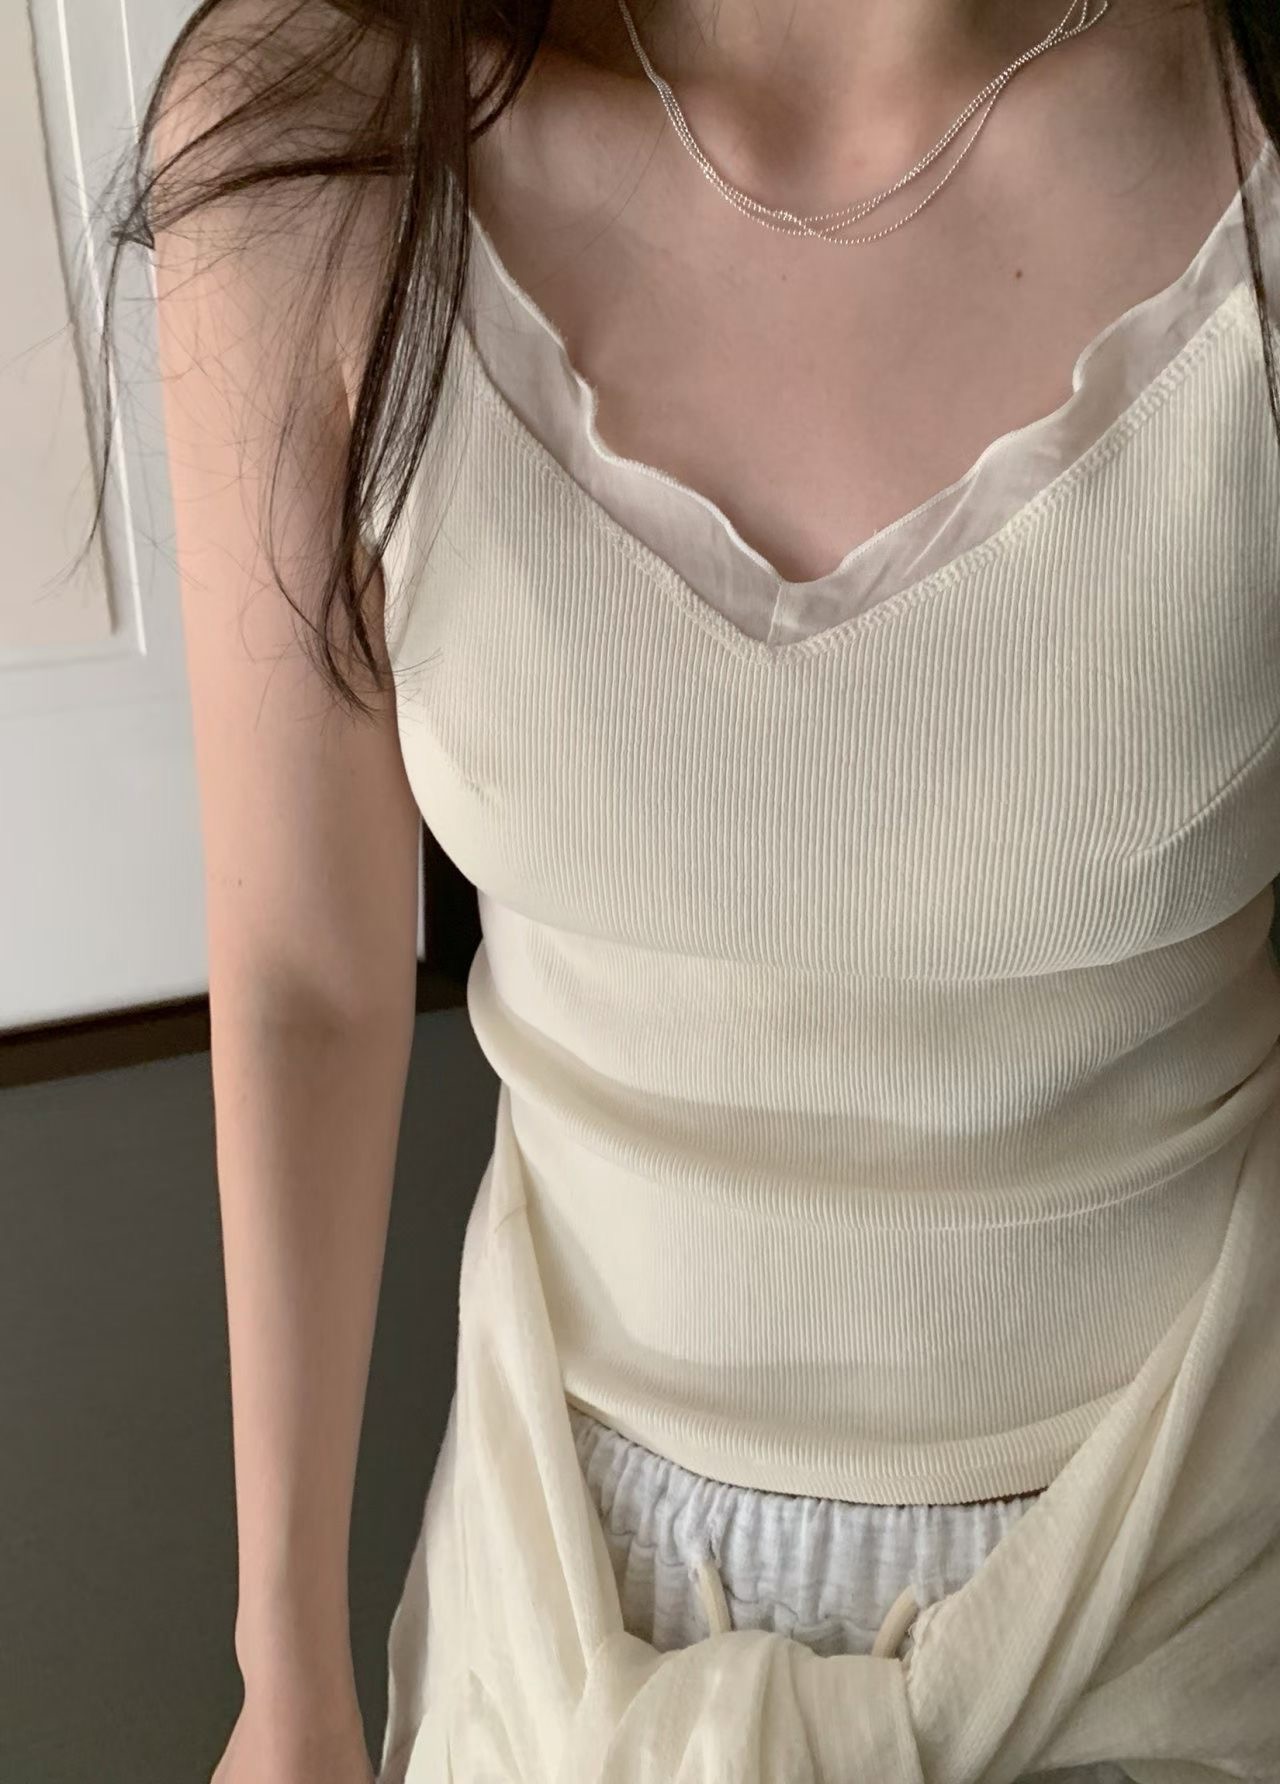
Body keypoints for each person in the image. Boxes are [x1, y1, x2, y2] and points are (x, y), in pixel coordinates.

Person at [111, 0, 1280, 1777]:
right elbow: (306, 979)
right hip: (552, 1623)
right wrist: (289, 1680)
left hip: (1186, 1594)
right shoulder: (317, 146)